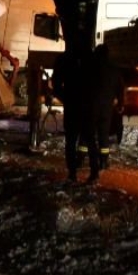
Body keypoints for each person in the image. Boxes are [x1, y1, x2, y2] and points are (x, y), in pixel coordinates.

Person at [52, 45, 93, 182]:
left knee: (71, 141)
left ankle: (72, 173)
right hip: (87, 107)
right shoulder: (91, 58)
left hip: (72, 107)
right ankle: (93, 172)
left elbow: (56, 85)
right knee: (89, 140)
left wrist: (66, 99)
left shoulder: (64, 59)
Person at [84, 43, 124, 182]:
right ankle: (104, 161)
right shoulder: (114, 70)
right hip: (107, 109)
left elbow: (84, 86)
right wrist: (120, 104)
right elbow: (120, 89)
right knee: (103, 135)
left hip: (91, 108)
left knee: (89, 136)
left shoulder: (90, 68)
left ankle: (93, 167)